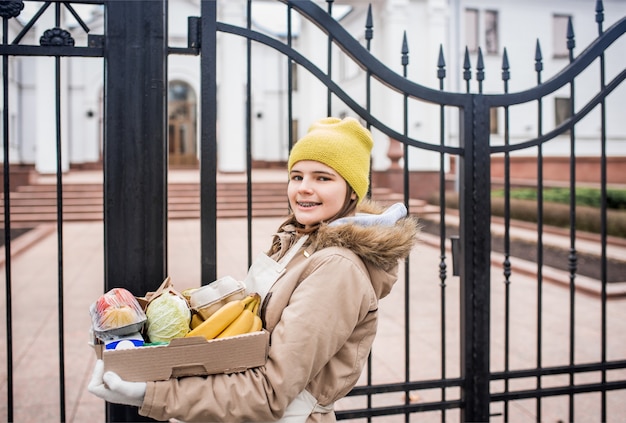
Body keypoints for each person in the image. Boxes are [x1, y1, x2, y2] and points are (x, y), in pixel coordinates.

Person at [88, 116, 420, 422]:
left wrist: (155, 393)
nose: (303, 187)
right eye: (297, 176)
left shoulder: (338, 268)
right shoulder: (297, 240)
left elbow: (271, 390)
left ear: (351, 192)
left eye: (323, 178)